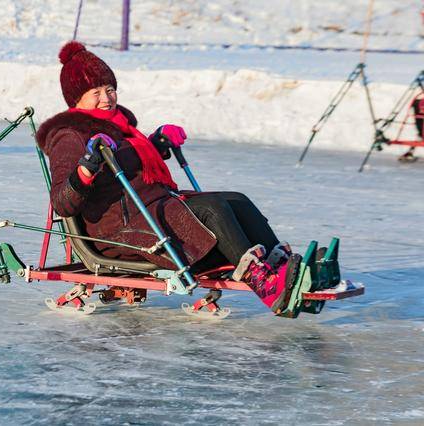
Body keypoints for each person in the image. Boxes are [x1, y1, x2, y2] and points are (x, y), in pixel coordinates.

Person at [35, 41, 302, 315]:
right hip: (120, 233)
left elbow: (130, 164)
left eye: (110, 89)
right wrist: (86, 168)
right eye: (96, 92)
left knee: (236, 200)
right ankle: (264, 283)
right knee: (212, 210)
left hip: (152, 209)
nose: (106, 98)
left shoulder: (120, 127)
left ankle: (281, 270)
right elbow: (62, 203)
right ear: (75, 98)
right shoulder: (69, 135)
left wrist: (156, 144)